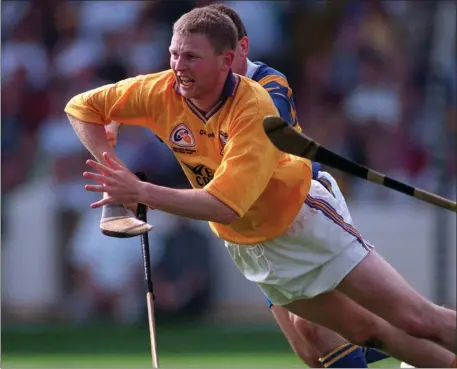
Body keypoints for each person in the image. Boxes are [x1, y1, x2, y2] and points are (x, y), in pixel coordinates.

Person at [64, 7, 457, 368]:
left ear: (228, 60)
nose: (178, 68)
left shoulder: (258, 102)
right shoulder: (161, 91)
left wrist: (140, 192)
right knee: (348, 338)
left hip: (299, 221)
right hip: (248, 241)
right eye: (174, 54)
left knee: (414, 318)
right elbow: (82, 107)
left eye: (191, 57)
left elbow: (225, 204)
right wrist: (114, 171)